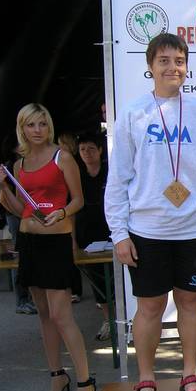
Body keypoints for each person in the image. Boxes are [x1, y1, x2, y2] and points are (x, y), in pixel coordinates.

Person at [105, 32, 196, 391]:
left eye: (179, 60)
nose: (172, 67)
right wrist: (119, 233)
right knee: (150, 307)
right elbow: (118, 177)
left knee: (190, 303)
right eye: (163, 61)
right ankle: (146, 379)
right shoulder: (133, 113)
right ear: (150, 66)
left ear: (186, 66)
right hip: (148, 230)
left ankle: (190, 374)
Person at [0, 103, 96, 391]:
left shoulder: (62, 157)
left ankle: (85, 382)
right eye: (30, 125)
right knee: (44, 314)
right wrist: (3, 186)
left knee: (62, 315)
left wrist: (61, 212)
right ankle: (56, 375)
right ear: (21, 128)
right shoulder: (19, 164)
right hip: (29, 241)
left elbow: (78, 200)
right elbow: (19, 209)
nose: (37, 130)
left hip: (56, 242)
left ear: (48, 126)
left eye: (42, 124)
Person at [74, 132, 112, 341]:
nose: (87, 153)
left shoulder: (111, 170)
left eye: (91, 148)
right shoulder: (76, 175)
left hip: (112, 231)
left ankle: (128, 319)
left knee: (119, 277)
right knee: (97, 279)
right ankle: (108, 320)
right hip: (87, 234)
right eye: (82, 149)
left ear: (100, 150)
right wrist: (72, 239)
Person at [0, 135, 36, 315]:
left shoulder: (31, 162)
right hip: (17, 217)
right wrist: (21, 214)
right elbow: (3, 198)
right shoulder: (11, 166)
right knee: (21, 257)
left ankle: (32, 298)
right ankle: (22, 300)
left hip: (32, 217)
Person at [57, 130, 83, 303]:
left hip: (71, 214)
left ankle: (75, 289)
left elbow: (76, 199)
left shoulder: (69, 162)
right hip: (65, 215)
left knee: (73, 253)